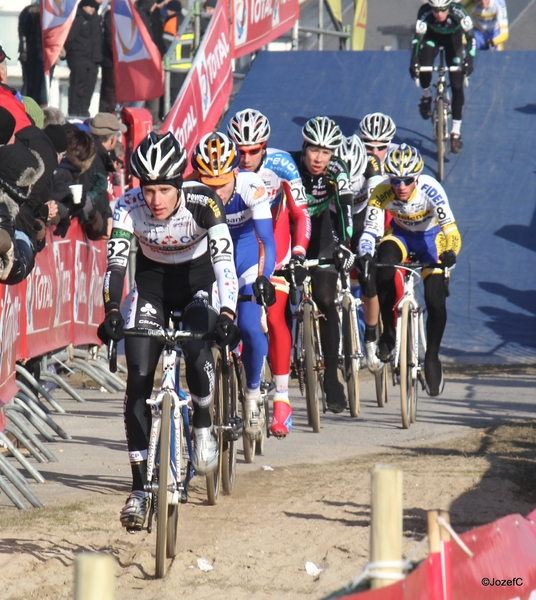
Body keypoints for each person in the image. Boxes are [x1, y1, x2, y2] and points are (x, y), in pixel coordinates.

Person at [98, 131, 239, 530]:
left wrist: (227, 312)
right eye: (148, 188)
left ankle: (204, 420)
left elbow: (224, 263)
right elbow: (116, 266)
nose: (154, 200)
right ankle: (140, 489)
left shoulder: (203, 202)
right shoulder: (127, 206)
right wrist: (111, 310)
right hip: (153, 289)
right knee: (139, 380)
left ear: (179, 184)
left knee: (197, 354)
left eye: (163, 189)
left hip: (198, 285)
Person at [227, 108, 311, 437]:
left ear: (265, 146)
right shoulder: (222, 161)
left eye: (253, 150)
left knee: (274, 315)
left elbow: (301, 214)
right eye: (240, 150)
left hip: (273, 242)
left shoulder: (283, 165)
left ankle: (281, 398)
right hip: (234, 243)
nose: (245, 157)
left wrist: (300, 253)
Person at [356, 144, 462, 397]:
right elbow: (370, 231)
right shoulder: (382, 192)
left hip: (431, 238)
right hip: (401, 235)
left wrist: (450, 253)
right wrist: (366, 254)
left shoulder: (431, 189)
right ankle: (389, 333)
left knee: (435, 301)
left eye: (406, 180)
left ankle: (433, 356)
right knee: (382, 269)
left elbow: (451, 230)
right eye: (395, 180)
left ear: (417, 177)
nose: (400, 186)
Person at [191, 132, 277, 439]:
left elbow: (266, 238)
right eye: (208, 186)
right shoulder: (188, 188)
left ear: (236, 173)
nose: (216, 193)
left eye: (222, 186)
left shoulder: (251, 185)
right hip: (209, 259)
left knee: (252, 329)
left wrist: (264, 278)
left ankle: (252, 392)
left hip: (245, 256)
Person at [290, 116, 354, 414]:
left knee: (326, 299)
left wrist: (345, 243)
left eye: (327, 152)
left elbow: (344, 208)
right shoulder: (288, 164)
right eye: (314, 150)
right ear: (304, 147)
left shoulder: (338, 170)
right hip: (289, 229)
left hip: (323, 233)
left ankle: (331, 377)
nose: (319, 158)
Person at [410, 0, 476, 154]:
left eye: (443, 10)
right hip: (431, 39)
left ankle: (456, 133)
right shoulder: (424, 12)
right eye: (435, 10)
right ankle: (426, 95)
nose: (439, 14)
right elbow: (417, 39)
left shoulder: (459, 12)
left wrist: (470, 59)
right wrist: (414, 59)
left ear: (449, 7)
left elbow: (472, 38)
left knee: (457, 85)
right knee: (423, 69)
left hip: (453, 41)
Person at [0, 143, 45, 284]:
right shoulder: (3, 208)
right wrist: (26, 241)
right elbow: (14, 270)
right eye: (30, 184)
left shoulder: (7, 209)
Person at [64, 0, 103, 116]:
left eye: (94, 8)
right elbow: (69, 39)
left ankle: (84, 111)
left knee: (89, 88)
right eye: (90, 7)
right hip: (79, 59)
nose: (92, 10)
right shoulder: (77, 18)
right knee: (77, 87)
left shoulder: (96, 19)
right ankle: (74, 112)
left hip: (93, 60)